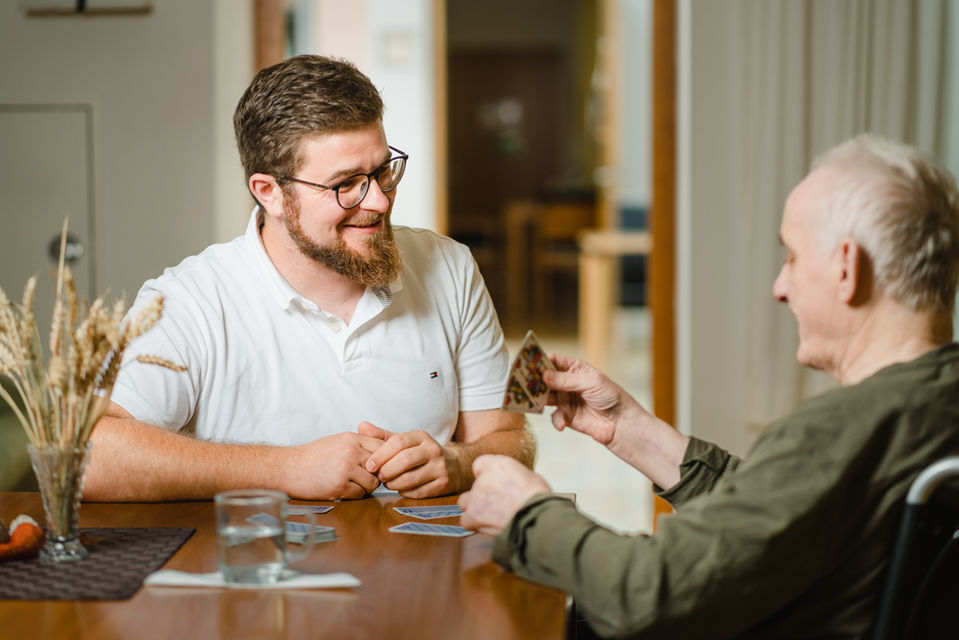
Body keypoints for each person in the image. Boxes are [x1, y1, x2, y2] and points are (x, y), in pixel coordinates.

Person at [459, 134, 959, 638]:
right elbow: (779, 515)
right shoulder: (931, 407)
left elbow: (648, 593)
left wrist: (527, 513)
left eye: (792, 257)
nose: (780, 287)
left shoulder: (838, 432)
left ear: (847, 269)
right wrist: (628, 427)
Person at [84, 55, 532, 502]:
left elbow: (513, 437)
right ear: (270, 193)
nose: (377, 200)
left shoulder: (451, 267)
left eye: (381, 171)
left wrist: (459, 463)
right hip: (256, 566)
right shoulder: (190, 301)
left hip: (423, 566)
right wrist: (285, 469)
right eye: (347, 183)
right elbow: (86, 458)